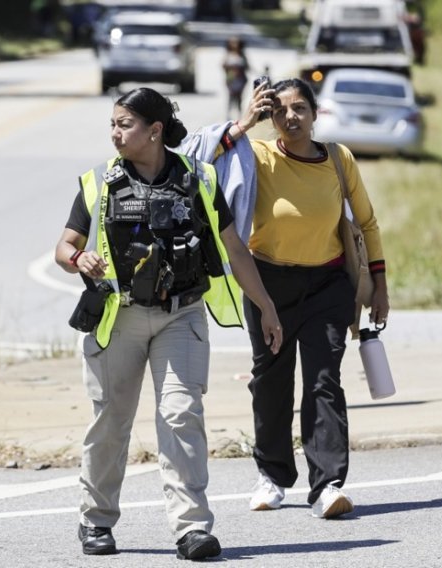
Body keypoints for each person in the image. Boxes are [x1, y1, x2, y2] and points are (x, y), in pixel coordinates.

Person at [55, 87, 282, 560]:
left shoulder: (198, 179)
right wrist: (81, 259)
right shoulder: (98, 182)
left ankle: (192, 528)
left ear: (155, 131)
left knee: (181, 414)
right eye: (113, 124)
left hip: (181, 315)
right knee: (111, 422)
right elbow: (63, 247)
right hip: (118, 317)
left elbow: (235, 249)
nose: (115, 132)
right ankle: (95, 521)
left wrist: (266, 306)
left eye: (125, 124)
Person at [218, 78, 390, 518]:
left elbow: (366, 223)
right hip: (268, 285)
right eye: (279, 111)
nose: (290, 118)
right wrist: (244, 122)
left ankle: (328, 484)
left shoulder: (338, 158)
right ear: (269, 117)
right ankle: (272, 477)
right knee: (271, 379)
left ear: (315, 114)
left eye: (299, 109)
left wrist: (379, 285)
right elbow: (200, 161)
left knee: (323, 380)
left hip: (328, 285)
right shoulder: (255, 154)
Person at [222, 36, 249, 120]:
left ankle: (239, 116)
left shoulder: (242, 55)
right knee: (230, 97)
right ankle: (228, 116)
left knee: (239, 98)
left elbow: (247, 67)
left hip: (240, 80)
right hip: (231, 80)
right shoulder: (228, 54)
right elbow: (223, 65)